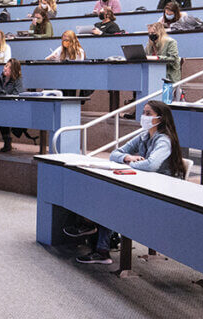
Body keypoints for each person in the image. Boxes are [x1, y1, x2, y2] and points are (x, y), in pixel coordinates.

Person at [70, 101, 186, 264]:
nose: (143, 117)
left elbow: (151, 165)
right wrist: (128, 157)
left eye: (148, 114)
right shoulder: (144, 136)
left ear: (161, 118)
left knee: (115, 201)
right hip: (145, 185)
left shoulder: (164, 140)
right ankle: (94, 233)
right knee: (106, 192)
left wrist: (131, 164)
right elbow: (115, 154)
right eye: (143, 112)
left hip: (162, 193)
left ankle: (101, 246)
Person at [0, 59, 25, 152]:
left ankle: (7, 141)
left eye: (9, 67)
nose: (5, 68)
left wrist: (3, 95)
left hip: (12, 108)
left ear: (14, 70)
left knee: (2, 114)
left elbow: (17, 95)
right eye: (5, 66)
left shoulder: (17, 81)